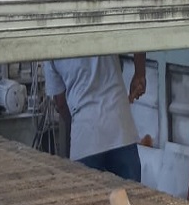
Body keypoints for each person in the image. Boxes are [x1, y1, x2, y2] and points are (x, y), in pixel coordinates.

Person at [44, 53, 146, 182]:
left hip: (85, 139)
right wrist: (139, 74)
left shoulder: (50, 49)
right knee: (131, 193)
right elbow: (136, 40)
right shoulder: (100, 38)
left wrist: (75, 127)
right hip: (120, 129)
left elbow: (60, 103)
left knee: (89, 194)